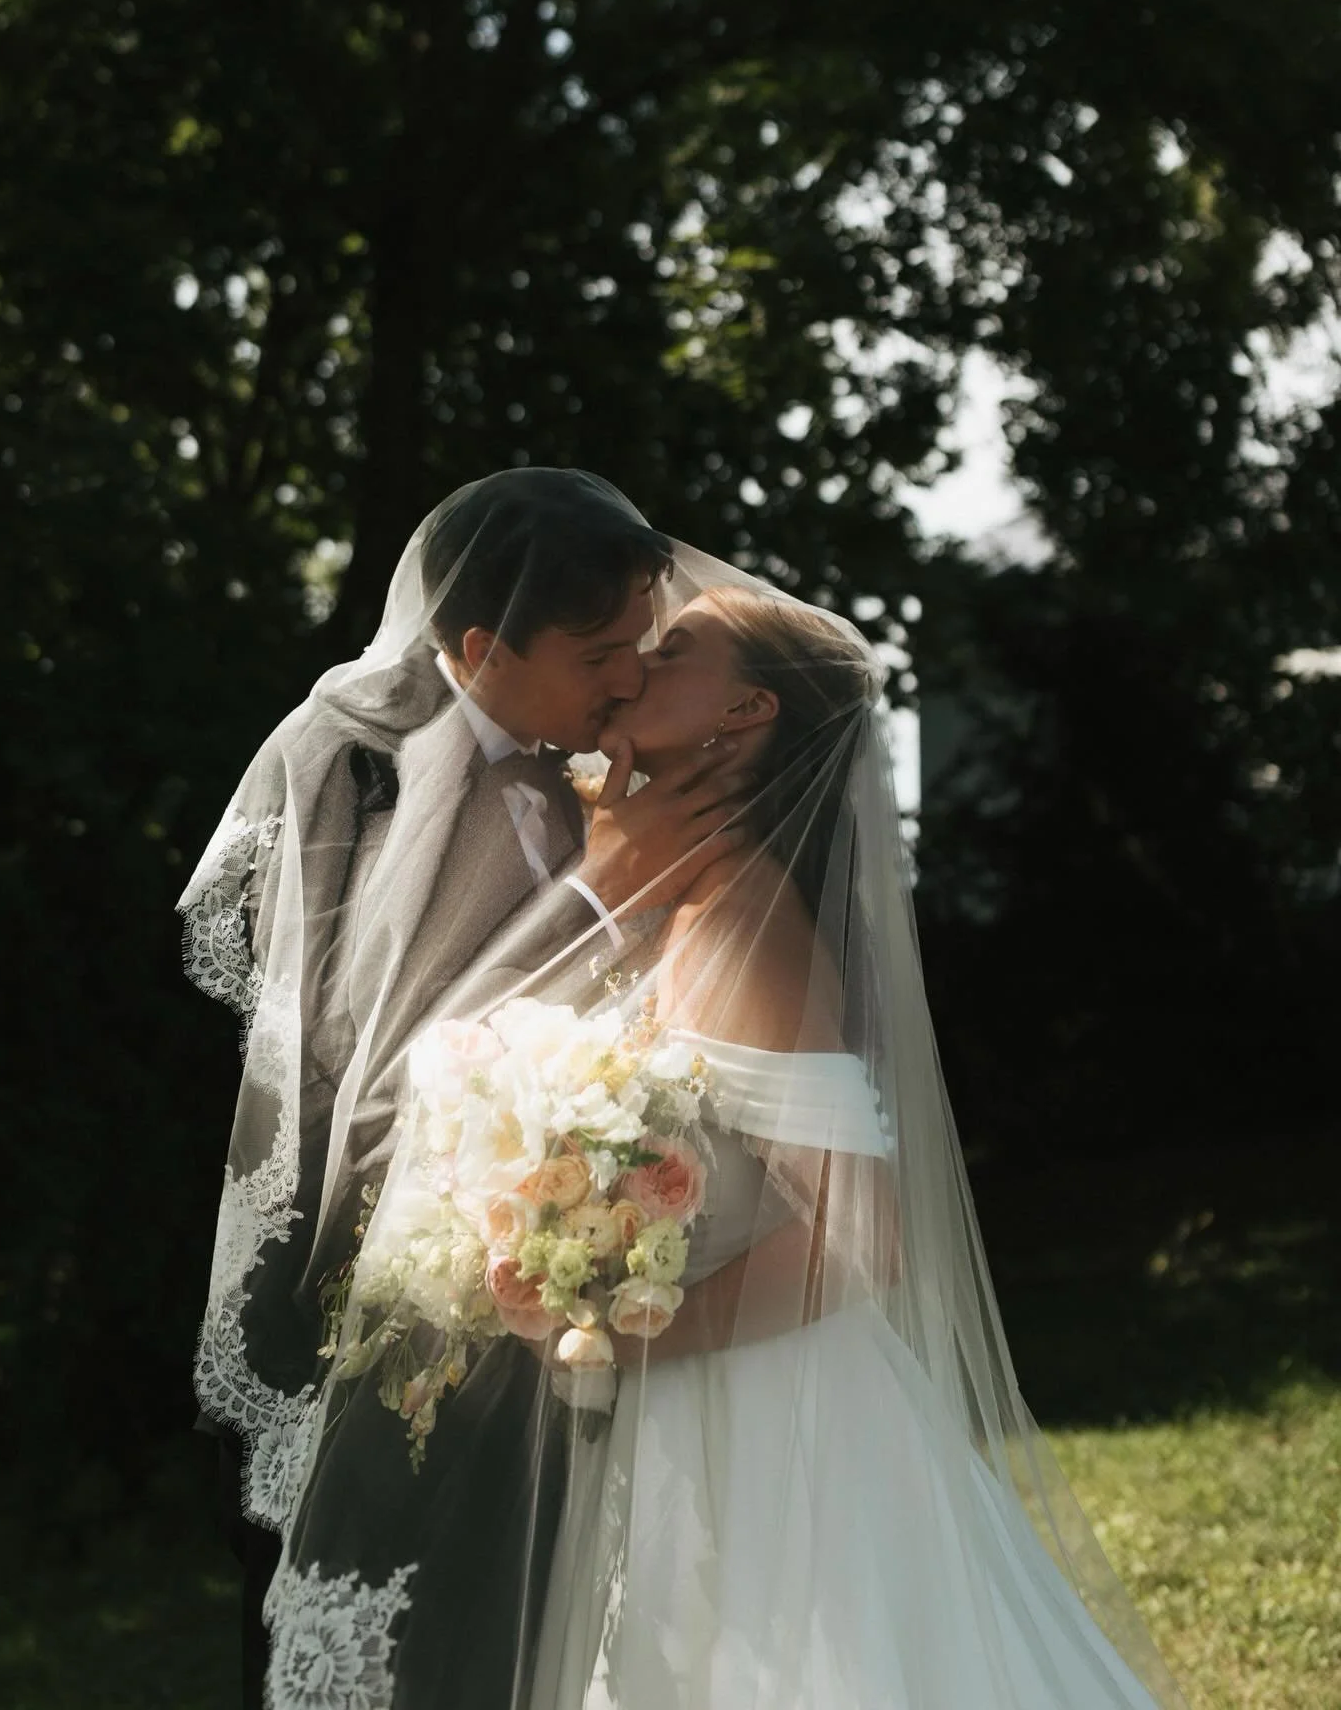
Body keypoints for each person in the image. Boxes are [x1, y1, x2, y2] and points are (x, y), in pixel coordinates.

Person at [264, 557, 1191, 1708]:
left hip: (769, 1419)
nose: (639, 662)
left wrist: (639, 1329)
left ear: (748, 710)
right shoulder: (666, 888)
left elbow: (861, 1236)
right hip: (666, 1404)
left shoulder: (742, 926)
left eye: (676, 652)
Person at [178, 469, 748, 1708]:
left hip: (501, 1282)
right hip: (345, 1288)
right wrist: (606, 899)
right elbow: (370, 1072)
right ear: (482, 648)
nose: (629, 680)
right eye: (602, 652)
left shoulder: (559, 767)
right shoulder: (353, 767)